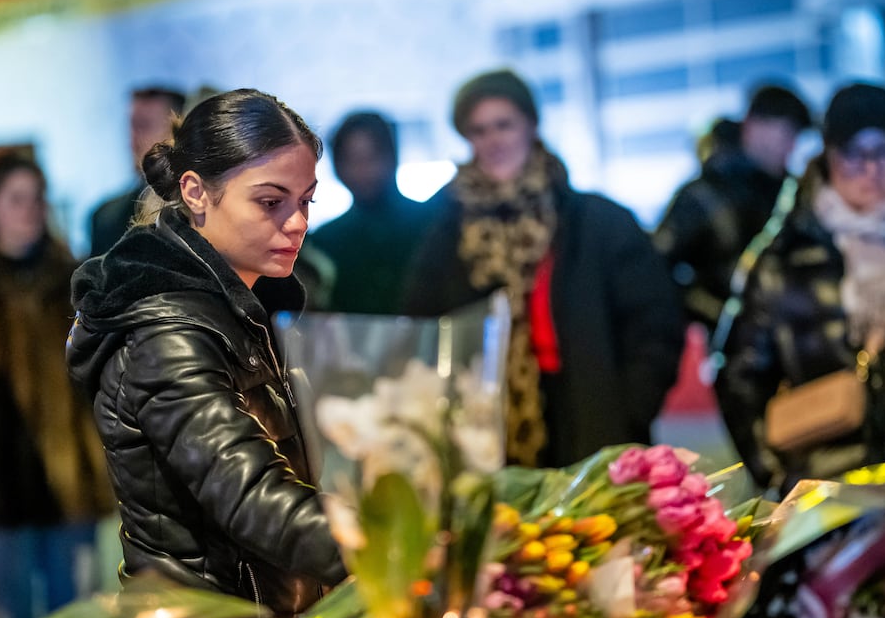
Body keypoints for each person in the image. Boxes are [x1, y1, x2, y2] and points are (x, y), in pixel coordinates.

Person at [67, 88, 348, 618]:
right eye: (270, 201)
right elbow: (250, 493)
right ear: (196, 192)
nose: (297, 223)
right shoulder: (166, 331)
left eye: (306, 200)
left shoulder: (250, 304)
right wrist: (393, 548)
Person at [403, 69, 683, 468]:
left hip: (591, 413)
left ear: (531, 125)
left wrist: (628, 410)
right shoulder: (447, 231)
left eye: (504, 124)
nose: (493, 140)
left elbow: (655, 323)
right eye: (478, 130)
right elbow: (423, 328)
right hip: (488, 427)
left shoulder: (595, 220)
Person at [716, 82, 885, 493]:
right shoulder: (784, 257)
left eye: (882, 151)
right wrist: (774, 472)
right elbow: (739, 375)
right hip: (826, 487)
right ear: (828, 156)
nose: (870, 170)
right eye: (854, 153)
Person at [0, 148, 115, 618]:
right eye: (15, 199)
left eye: (36, 199)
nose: (28, 211)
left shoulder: (76, 282)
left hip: (68, 478)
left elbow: (102, 376)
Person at [653, 84, 812, 332]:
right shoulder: (701, 196)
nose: (790, 148)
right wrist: (717, 314)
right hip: (721, 347)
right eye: (786, 134)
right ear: (753, 125)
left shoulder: (789, 193)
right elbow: (656, 269)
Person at [306, 111, 432, 314]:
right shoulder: (325, 241)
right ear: (337, 167)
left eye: (372, 157)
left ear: (392, 156)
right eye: (352, 159)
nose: (363, 169)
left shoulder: (433, 224)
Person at [88, 86, 187, 257]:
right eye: (132, 126)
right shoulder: (105, 219)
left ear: (178, 132)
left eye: (144, 125)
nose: (133, 137)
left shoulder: (201, 212)